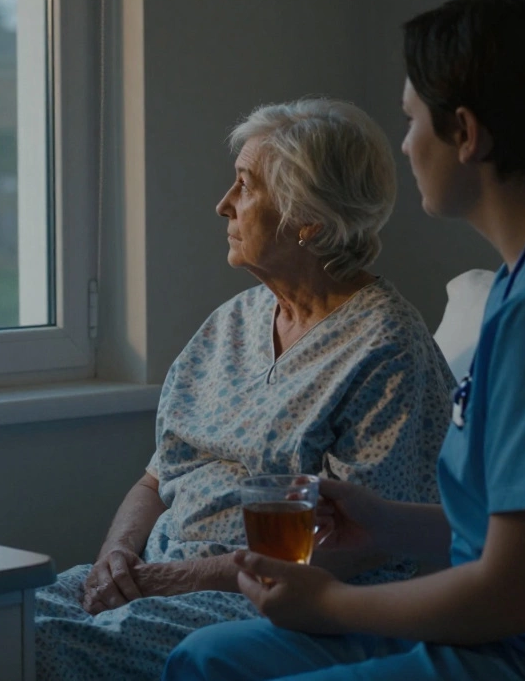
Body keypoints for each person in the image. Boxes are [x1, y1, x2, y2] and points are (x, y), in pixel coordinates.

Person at [164, 0, 525, 681]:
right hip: (512, 630)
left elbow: (516, 592)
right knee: (208, 657)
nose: (405, 145)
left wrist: (334, 604)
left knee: (217, 671)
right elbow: (524, 532)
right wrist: (387, 524)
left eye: (412, 121)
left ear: (466, 134)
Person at [34, 98, 455, 680]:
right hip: (151, 576)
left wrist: (174, 579)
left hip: (270, 602)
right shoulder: (231, 323)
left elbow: (366, 547)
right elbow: (157, 477)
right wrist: (116, 559)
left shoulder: (386, 348)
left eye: (245, 187)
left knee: (42, 646)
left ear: (307, 219)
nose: (223, 205)